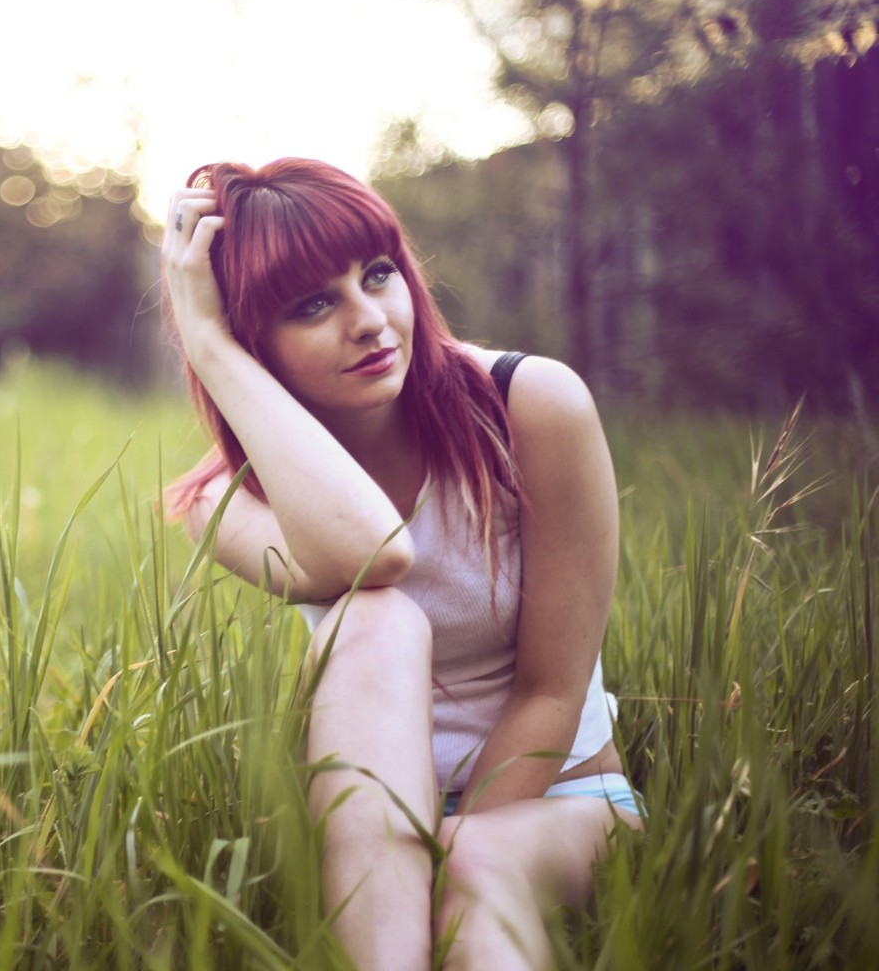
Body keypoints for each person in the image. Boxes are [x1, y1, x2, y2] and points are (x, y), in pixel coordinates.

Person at [160, 157, 641, 971]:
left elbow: (552, 691)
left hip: (562, 801)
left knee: (478, 866)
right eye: (312, 304)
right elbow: (372, 556)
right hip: (372, 828)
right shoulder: (221, 499)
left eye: (376, 275)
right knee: (373, 615)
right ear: (250, 342)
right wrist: (206, 342)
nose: (370, 319)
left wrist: (448, 847)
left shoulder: (529, 405)